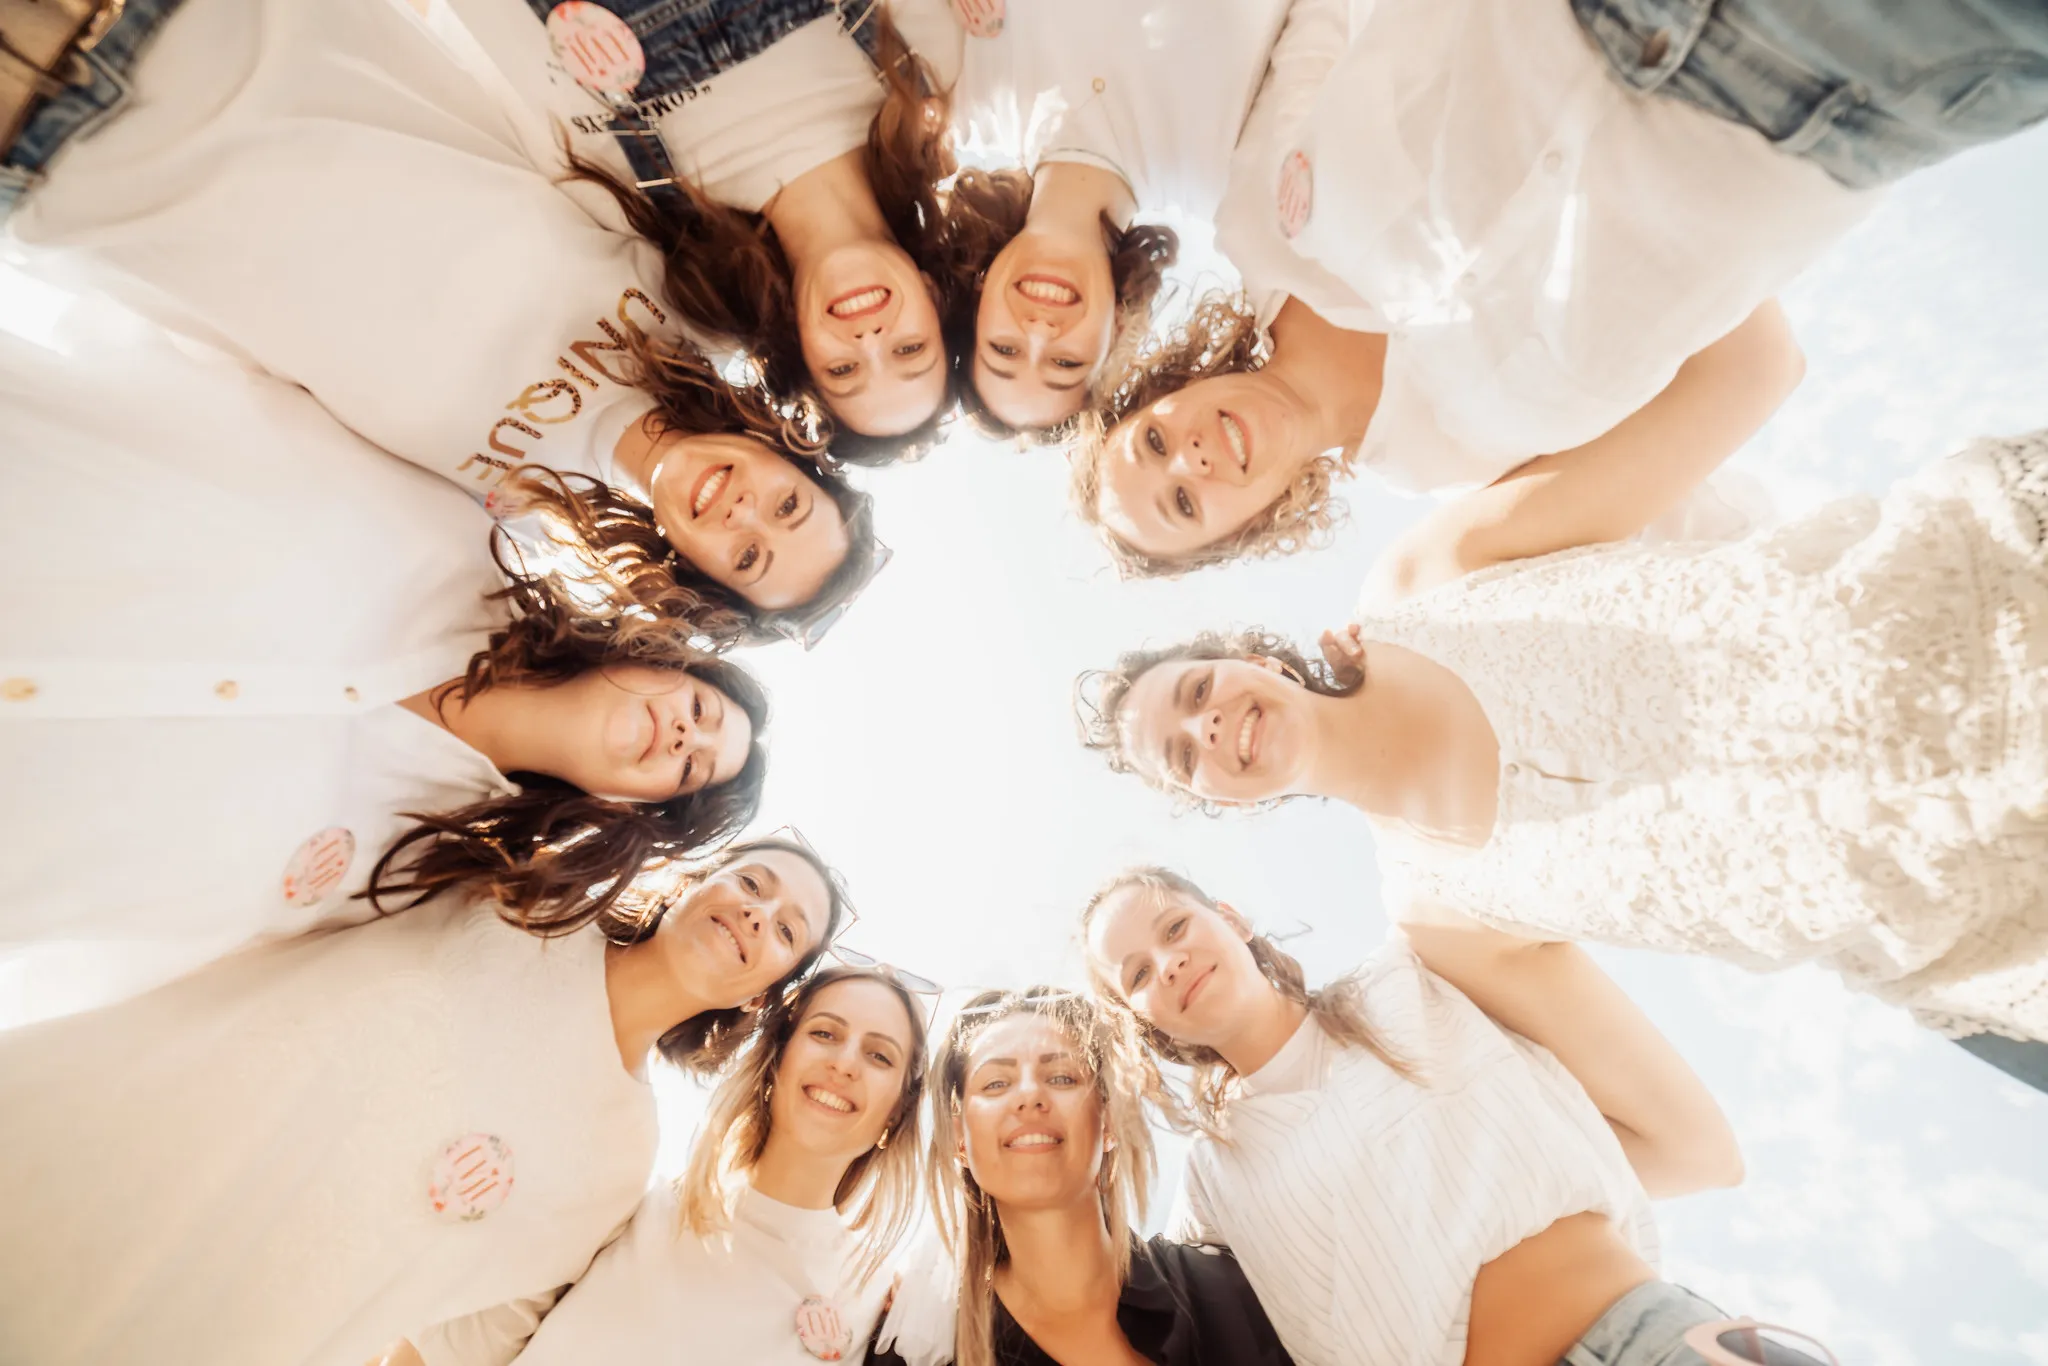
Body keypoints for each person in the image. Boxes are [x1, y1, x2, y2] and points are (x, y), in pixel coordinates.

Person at [1077, 427, 2048, 1049]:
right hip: (1996, 917)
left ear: (1261, 663)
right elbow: (1672, 1149)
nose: (1205, 723)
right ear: (1217, 801)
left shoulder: (1427, 580)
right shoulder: (1441, 919)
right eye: (1181, 752)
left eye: (1197, 688)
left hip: (1998, 588)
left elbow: (1742, 366)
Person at [2, 0, 883, 645]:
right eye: (787, 504)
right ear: (789, 452)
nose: (743, 511)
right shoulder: (697, 300)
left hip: (56, 166)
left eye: (749, 556)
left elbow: (254, 418)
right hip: (219, 28)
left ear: (698, 571)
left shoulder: (502, 518)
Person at [1072, 0, 2048, 577]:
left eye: (1151, 440)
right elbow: (1754, 364)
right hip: (1843, 99)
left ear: (1162, 388)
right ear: (1242, 531)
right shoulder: (1472, 476)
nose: (1188, 460)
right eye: (1182, 505)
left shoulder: (1249, 211)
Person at [0, 837, 848, 1366]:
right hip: (103, 1143)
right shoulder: (523, 899)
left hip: (216, 1329)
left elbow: (464, 1341)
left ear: (764, 996)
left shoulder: (621, 1154)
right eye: (753, 882)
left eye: (785, 930)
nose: (756, 914)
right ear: (698, 881)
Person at [1078, 866, 1846, 1366]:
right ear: (1144, 1021)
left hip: (1653, 1342)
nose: (1169, 962)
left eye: (1174, 928)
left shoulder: (1411, 979)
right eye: (1137, 974)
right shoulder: (1214, 1182)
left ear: (1231, 918)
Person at [456, 0, 969, 455]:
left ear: (799, 344)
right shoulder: (926, 71)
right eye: (910, 349)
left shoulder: (639, 201)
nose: (870, 339)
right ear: (933, 295)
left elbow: (504, 37)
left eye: (844, 371)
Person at [426, 963, 930, 1364]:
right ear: (777, 1061)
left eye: (879, 1056)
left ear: (898, 1112)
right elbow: (451, 1353)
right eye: (824, 1033)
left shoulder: (879, 1301)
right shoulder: (629, 1202)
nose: (844, 1063)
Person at [870, 986, 1294, 1366]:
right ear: (959, 1137)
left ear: (1109, 1122)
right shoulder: (921, 1350)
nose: (1029, 1096)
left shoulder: (1230, 1288)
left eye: (1061, 1077)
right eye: (996, 1083)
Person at [938, 0, 1298, 433]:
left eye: (1004, 350)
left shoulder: (966, 83)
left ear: (977, 299)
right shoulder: (1234, 171)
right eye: (1066, 362)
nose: (1037, 331)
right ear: (1117, 331)